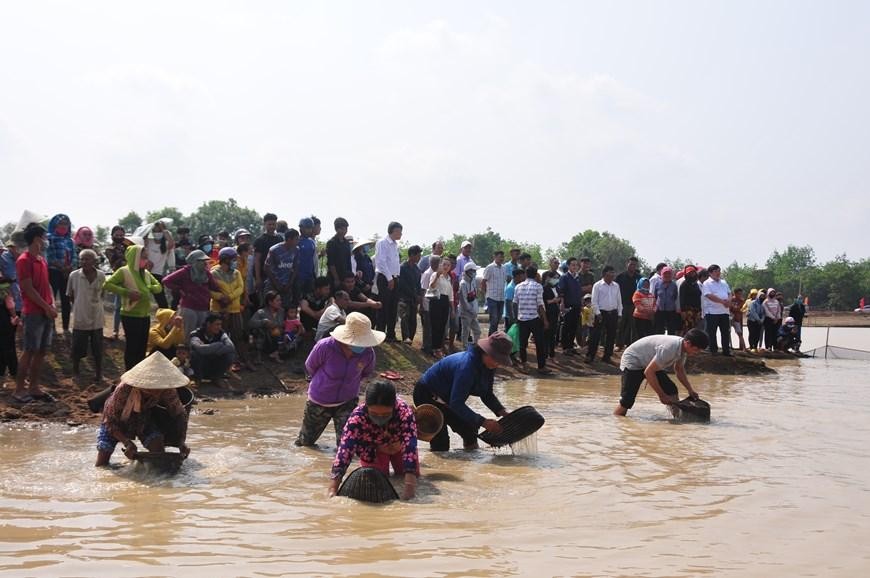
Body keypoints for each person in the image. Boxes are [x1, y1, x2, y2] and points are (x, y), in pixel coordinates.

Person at [295, 312, 383, 447]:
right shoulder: (325, 346)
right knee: (305, 443)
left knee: (347, 446)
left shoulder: (368, 353)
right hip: (319, 401)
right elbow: (310, 366)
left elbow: (366, 373)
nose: (361, 346)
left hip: (347, 401)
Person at [413, 332, 512, 451]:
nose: (498, 363)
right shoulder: (466, 368)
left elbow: (486, 393)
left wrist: (502, 411)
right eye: (497, 359)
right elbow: (456, 404)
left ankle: (469, 460)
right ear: (486, 352)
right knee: (441, 442)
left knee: (469, 431)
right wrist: (484, 422)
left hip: (448, 398)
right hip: (427, 393)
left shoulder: (489, 366)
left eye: (500, 361)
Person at [94, 352, 190, 467]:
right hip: (116, 420)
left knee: (158, 450)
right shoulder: (124, 389)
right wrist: (126, 442)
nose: (157, 391)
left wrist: (181, 442)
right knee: (102, 463)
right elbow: (109, 421)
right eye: (153, 387)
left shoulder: (167, 390)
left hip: (143, 418)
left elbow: (179, 414)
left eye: (159, 387)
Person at [329, 380, 420, 500]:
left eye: (386, 414)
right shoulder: (357, 417)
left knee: (406, 477)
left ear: (393, 406)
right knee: (376, 481)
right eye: (374, 413)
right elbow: (345, 450)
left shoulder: (404, 412)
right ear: (366, 406)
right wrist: (333, 488)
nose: (380, 418)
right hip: (373, 450)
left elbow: (410, 447)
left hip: (400, 448)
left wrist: (410, 489)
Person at [614, 328, 709, 417]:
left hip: (649, 363)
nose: (697, 353)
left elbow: (679, 369)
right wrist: (661, 395)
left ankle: (677, 418)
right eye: (696, 350)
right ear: (688, 343)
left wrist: (690, 390)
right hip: (633, 361)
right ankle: (617, 421)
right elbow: (649, 372)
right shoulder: (669, 348)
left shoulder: (683, 349)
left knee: (671, 390)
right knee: (626, 402)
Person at [11, 224, 57, 403]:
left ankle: (34, 387)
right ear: (37, 238)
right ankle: (19, 389)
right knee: (29, 350)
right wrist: (46, 307)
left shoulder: (41, 259)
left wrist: (51, 305)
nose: (46, 239)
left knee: (42, 351)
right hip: (33, 312)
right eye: (44, 236)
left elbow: (47, 286)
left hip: (46, 310)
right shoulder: (24, 260)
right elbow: (28, 289)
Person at [103, 244, 163, 370]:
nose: (146, 260)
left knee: (142, 346)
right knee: (132, 346)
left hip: (145, 315)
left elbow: (159, 286)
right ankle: (129, 372)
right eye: (143, 257)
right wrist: (127, 292)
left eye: (146, 257)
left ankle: (139, 372)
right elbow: (107, 284)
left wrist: (150, 288)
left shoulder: (146, 273)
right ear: (135, 257)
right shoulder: (124, 271)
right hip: (130, 315)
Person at [161, 249, 220, 341]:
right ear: (194, 261)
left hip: (204, 307)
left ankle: (198, 353)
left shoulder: (206, 273)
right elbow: (166, 280)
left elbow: (215, 287)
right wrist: (180, 289)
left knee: (201, 333)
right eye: (201, 261)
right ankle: (187, 352)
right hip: (189, 308)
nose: (204, 263)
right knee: (189, 333)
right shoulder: (184, 272)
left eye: (205, 261)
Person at [66, 249, 105, 382]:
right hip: (80, 316)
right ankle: (76, 372)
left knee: (98, 348)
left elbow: (103, 294)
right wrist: (80, 305)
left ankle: (99, 373)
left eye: (87, 259)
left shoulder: (101, 275)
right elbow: (71, 296)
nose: (84, 261)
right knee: (77, 347)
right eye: (82, 259)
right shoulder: (74, 275)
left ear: (94, 261)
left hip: (96, 317)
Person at [210, 246, 251, 371]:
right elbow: (210, 290)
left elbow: (240, 287)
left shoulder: (236, 272)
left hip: (234, 309)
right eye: (233, 259)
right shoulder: (213, 273)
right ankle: (219, 364)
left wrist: (230, 297)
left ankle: (237, 360)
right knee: (219, 336)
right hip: (219, 309)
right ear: (225, 259)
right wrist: (221, 297)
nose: (235, 261)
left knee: (237, 335)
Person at [514, 266, 550, 374]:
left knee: (523, 344)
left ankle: (524, 364)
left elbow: (514, 303)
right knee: (539, 343)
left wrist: (516, 317)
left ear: (525, 274)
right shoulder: (538, 286)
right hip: (534, 318)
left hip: (522, 319)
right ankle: (541, 366)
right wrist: (545, 320)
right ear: (536, 275)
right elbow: (540, 305)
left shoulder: (518, 286)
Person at [46, 213, 77, 334]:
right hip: (53, 272)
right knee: (51, 299)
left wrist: (69, 267)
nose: (64, 226)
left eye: (66, 224)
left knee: (66, 300)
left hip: (67, 273)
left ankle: (65, 327)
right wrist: (61, 267)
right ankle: (51, 327)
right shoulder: (49, 238)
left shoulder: (70, 240)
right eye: (61, 224)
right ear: (54, 225)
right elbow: (49, 256)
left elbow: (74, 256)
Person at [374, 222, 403, 342]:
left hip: (394, 278)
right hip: (385, 278)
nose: (401, 233)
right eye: (399, 231)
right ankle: (381, 333)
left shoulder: (395, 245)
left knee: (392, 306)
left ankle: (391, 333)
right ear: (392, 231)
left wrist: (394, 278)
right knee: (384, 306)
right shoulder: (382, 243)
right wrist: (389, 278)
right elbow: (381, 261)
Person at [588, 265, 622, 364]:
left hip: (613, 313)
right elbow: (594, 301)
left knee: (611, 336)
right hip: (601, 313)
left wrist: (619, 313)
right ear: (604, 274)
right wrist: (598, 313)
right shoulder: (597, 285)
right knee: (595, 335)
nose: (612, 276)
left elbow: (619, 300)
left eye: (613, 274)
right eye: (610, 274)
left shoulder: (616, 285)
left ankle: (607, 356)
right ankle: (590, 355)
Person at [189, 314, 235, 384]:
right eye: (217, 324)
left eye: (220, 325)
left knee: (229, 355)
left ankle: (216, 378)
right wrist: (219, 345)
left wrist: (214, 352)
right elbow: (200, 349)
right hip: (201, 364)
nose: (219, 327)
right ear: (208, 324)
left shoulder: (221, 333)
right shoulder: (196, 334)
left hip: (214, 361)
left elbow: (231, 346)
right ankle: (198, 379)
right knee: (194, 354)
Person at [104, 226, 132, 339]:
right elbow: (114, 263)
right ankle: (115, 330)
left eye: (122, 235)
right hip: (119, 277)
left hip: (130, 277)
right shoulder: (109, 249)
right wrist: (125, 256)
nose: (120, 237)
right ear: (112, 236)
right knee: (118, 305)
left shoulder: (129, 247)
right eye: (117, 235)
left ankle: (127, 330)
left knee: (130, 305)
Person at [139, 219, 175, 309]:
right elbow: (141, 240)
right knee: (142, 297)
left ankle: (166, 319)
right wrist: (148, 228)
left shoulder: (166, 244)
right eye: (155, 230)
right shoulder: (149, 241)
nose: (157, 232)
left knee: (162, 301)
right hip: (145, 273)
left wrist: (164, 229)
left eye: (159, 231)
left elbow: (171, 243)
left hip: (157, 275)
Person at [700, 264, 732, 356]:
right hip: (712, 312)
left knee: (725, 332)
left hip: (724, 311)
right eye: (715, 271)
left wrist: (729, 301)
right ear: (710, 273)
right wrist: (722, 301)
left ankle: (726, 350)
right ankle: (713, 350)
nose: (718, 273)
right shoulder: (707, 283)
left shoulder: (724, 282)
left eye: (719, 271)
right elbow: (709, 295)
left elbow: (729, 293)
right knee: (711, 332)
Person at [263, 229, 299, 307]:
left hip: (287, 286)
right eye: (296, 239)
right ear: (289, 239)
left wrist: (289, 284)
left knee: (285, 309)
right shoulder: (274, 250)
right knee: (269, 308)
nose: (298, 241)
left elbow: (295, 267)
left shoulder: (296, 250)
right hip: (273, 285)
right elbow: (266, 268)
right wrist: (277, 284)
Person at [427, 257, 454, 358]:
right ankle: (435, 349)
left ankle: (439, 348)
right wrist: (437, 276)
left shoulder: (449, 278)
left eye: (448, 265)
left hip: (445, 302)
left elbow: (451, 294)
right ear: (440, 265)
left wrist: (452, 309)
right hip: (436, 300)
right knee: (436, 325)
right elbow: (431, 287)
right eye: (444, 264)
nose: (446, 267)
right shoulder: (435, 274)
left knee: (442, 326)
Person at [248, 291, 285, 362]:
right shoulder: (261, 312)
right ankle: (259, 355)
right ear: (270, 302)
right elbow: (251, 323)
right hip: (266, 339)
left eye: (280, 300)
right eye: (277, 300)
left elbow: (282, 325)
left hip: (278, 337)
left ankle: (276, 353)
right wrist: (263, 322)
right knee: (259, 331)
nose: (280, 302)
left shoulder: (281, 311)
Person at [253, 213, 282, 303]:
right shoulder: (260, 240)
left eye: (274, 224)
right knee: (265, 302)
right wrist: (258, 278)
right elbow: (257, 260)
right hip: (264, 276)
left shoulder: (280, 239)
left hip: (278, 276)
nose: (272, 226)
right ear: (265, 224)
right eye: (269, 224)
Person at [398, 245, 423, 344]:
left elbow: (418, 284)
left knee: (413, 320)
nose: (419, 257)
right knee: (404, 317)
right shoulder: (402, 267)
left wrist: (419, 295)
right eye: (418, 255)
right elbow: (402, 284)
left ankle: (410, 339)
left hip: (414, 299)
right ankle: (406, 338)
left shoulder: (417, 269)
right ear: (412, 255)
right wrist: (414, 294)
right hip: (404, 297)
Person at [614, 257, 641, 349]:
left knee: (634, 326)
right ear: (627, 264)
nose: (632, 266)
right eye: (631, 264)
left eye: (634, 265)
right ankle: (619, 344)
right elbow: (615, 290)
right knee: (621, 325)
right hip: (622, 304)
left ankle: (632, 346)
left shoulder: (639, 277)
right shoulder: (620, 277)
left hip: (635, 305)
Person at [558, 257, 582, 354]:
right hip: (568, 304)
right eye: (573, 265)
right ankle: (565, 347)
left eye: (576, 265)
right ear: (568, 266)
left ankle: (571, 346)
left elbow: (579, 291)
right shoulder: (564, 277)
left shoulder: (578, 277)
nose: (575, 267)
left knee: (574, 326)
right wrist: (562, 303)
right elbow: (561, 291)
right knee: (566, 325)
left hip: (577, 304)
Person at [481, 250, 506, 336]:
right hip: (492, 297)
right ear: (494, 257)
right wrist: (486, 295)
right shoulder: (490, 267)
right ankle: (491, 339)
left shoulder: (504, 268)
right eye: (500, 257)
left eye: (503, 257)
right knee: (494, 319)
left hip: (501, 298)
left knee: (498, 319)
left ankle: (492, 337)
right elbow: (483, 282)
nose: (502, 259)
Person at [419, 255, 440, 355]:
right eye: (436, 262)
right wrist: (421, 305)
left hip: (434, 303)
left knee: (432, 325)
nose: (438, 265)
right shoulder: (427, 274)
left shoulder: (437, 273)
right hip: (427, 303)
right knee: (427, 326)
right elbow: (423, 290)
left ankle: (431, 346)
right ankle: (426, 346)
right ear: (432, 263)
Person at [458, 262, 481, 346]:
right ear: (469, 271)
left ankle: (475, 346)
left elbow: (474, 296)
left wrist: (475, 309)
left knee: (477, 331)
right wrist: (471, 310)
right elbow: (463, 300)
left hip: (473, 311)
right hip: (466, 312)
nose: (475, 272)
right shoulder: (463, 284)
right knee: (466, 331)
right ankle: (464, 347)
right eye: (474, 271)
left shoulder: (473, 281)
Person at [326, 217, 352, 289]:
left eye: (346, 229)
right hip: (334, 276)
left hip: (346, 276)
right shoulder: (331, 243)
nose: (344, 231)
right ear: (337, 229)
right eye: (342, 229)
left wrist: (350, 276)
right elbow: (331, 263)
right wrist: (336, 279)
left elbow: (348, 260)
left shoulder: (346, 243)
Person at [653, 267, 681, 335]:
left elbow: (676, 297)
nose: (667, 275)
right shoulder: (657, 284)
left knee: (671, 330)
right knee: (659, 329)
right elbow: (655, 296)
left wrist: (677, 308)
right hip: (659, 310)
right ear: (662, 274)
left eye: (669, 274)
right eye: (665, 274)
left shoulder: (674, 285)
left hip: (671, 310)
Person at [295, 218, 318, 298]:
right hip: (298, 277)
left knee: (309, 298)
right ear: (301, 228)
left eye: (310, 228)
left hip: (310, 276)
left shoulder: (312, 242)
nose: (309, 230)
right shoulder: (296, 241)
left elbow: (313, 259)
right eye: (307, 228)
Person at [541, 270, 561, 358]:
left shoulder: (556, 288)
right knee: (546, 334)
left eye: (557, 278)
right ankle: (545, 353)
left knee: (553, 334)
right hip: (547, 313)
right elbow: (544, 302)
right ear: (549, 278)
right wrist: (554, 300)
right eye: (555, 278)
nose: (556, 280)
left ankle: (552, 353)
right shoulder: (544, 288)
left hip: (555, 313)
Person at [679, 266, 703, 335]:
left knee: (695, 328)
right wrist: (683, 311)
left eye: (693, 273)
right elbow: (682, 298)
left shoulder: (696, 284)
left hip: (697, 310)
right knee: (688, 328)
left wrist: (700, 310)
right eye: (689, 273)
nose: (692, 274)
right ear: (686, 274)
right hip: (688, 310)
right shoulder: (684, 284)